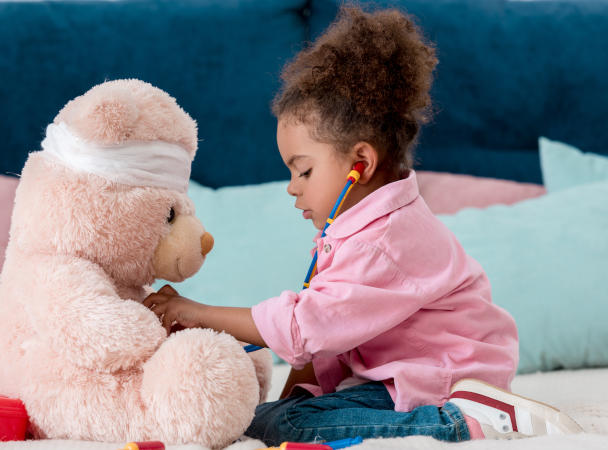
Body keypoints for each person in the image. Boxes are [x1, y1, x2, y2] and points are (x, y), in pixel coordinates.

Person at [144, 4, 583, 444]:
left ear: (361, 163)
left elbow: (303, 328)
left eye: (304, 171)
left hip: (444, 384)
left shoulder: (382, 242)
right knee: (268, 419)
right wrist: (291, 402)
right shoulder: (357, 230)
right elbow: (319, 341)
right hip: (403, 379)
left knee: (282, 425)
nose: (292, 189)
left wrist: (194, 312)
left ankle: (468, 424)